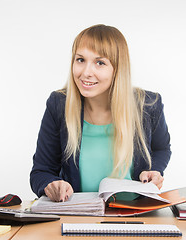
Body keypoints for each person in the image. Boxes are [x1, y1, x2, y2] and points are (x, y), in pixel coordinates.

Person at [30, 24, 171, 202]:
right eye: (80, 60)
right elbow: (41, 172)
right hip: (79, 218)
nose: (86, 72)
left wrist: (155, 170)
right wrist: (50, 184)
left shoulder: (148, 105)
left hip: (135, 216)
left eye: (100, 63)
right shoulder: (58, 105)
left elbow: (162, 148)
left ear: (118, 69)